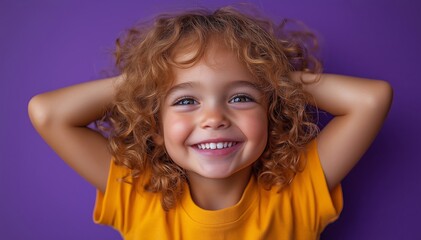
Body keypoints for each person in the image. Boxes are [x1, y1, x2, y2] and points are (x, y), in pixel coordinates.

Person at [28, 6, 393, 240]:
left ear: (272, 112)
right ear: (153, 124)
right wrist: (147, 81)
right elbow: (48, 113)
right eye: (186, 100)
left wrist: (275, 80)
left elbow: (371, 99)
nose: (214, 118)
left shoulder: (298, 194)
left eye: (240, 97)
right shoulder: (138, 195)